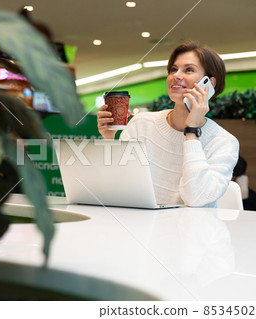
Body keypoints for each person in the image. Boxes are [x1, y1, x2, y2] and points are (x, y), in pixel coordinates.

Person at [97, 41, 239, 207]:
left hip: (193, 231)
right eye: (173, 69)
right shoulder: (141, 124)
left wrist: (191, 130)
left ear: (209, 84)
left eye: (189, 69)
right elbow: (114, 187)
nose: (176, 76)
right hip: (141, 228)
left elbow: (196, 198)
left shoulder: (223, 142)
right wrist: (108, 140)